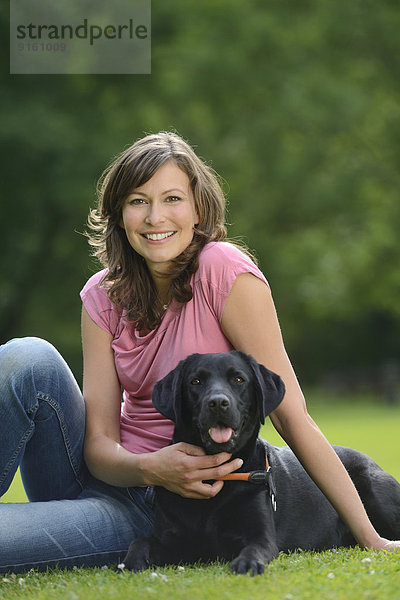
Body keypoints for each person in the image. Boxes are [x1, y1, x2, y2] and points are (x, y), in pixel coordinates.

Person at [0, 132, 398, 574]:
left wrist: (369, 535)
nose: (155, 217)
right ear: (119, 214)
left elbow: (291, 416)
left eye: (172, 198)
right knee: (27, 356)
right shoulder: (101, 294)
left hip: (167, 512)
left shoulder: (223, 272)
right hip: (119, 478)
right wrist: (151, 467)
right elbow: (97, 445)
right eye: (137, 201)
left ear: (198, 209)